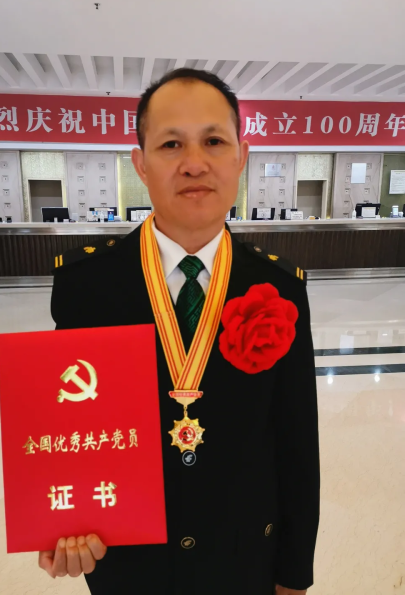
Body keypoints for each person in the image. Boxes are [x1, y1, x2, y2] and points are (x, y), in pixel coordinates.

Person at [40, 68, 320, 595]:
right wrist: (61, 527)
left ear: (241, 156)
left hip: (245, 559)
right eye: (171, 144)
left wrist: (294, 574)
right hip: (129, 563)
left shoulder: (280, 287)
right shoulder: (85, 284)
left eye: (214, 141)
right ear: (141, 164)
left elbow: (297, 441)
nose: (194, 163)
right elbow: (70, 428)